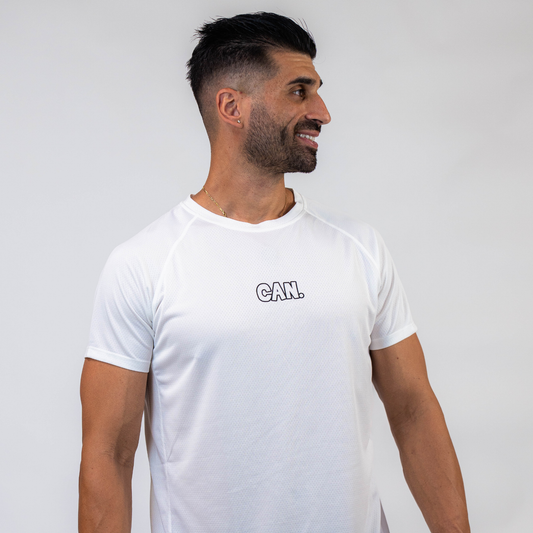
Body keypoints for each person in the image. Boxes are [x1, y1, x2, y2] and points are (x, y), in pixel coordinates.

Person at [78, 12, 470, 533]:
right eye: (299, 91)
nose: (322, 112)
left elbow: (414, 410)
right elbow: (108, 454)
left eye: (318, 92)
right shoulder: (145, 264)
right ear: (232, 107)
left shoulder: (360, 249)